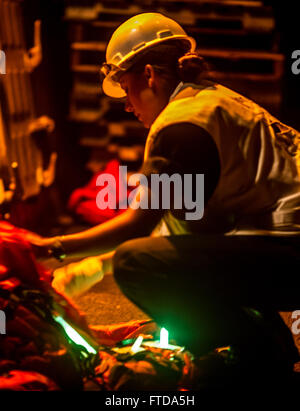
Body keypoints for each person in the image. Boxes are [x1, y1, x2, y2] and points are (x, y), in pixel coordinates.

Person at [31, 13, 300, 377]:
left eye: (126, 89)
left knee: (137, 263)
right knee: (183, 257)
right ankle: (268, 342)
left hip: (289, 255)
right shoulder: (211, 102)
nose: (127, 105)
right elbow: (189, 234)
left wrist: (51, 250)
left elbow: (139, 227)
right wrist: (90, 268)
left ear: (149, 75)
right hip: (283, 249)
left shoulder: (181, 126)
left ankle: (252, 354)